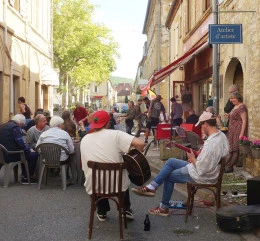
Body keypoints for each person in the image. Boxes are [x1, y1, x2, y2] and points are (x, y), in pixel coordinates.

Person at [132, 111, 228, 216]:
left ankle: (163, 208)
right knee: (171, 161)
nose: (201, 128)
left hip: (203, 174)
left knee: (169, 177)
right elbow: (220, 157)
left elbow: (202, 168)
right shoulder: (221, 136)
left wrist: (193, 158)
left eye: (201, 125)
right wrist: (197, 157)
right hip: (210, 170)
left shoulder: (211, 144)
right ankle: (152, 187)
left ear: (206, 124)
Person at [80, 110, 145, 221]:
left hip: (95, 185)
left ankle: (102, 211)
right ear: (108, 123)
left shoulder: (85, 139)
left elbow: (84, 167)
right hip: (118, 185)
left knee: (98, 177)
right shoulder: (116, 135)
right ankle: (126, 210)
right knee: (121, 174)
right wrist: (131, 157)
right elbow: (140, 143)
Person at [0, 114, 38, 184]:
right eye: (22, 125)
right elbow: (21, 144)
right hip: (10, 155)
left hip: (2, 154)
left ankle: (24, 175)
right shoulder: (15, 128)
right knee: (32, 155)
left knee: (25, 153)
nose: (22, 126)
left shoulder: (2, 125)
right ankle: (26, 178)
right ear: (20, 123)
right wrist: (29, 150)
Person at [225, 91, 247, 173]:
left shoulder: (242, 107)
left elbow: (244, 120)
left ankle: (230, 167)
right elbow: (235, 117)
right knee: (230, 149)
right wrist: (228, 116)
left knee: (235, 150)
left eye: (233, 98)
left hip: (237, 131)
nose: (231, 100)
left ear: (238, 98)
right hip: (232, 130)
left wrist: (241, 133)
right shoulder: (235, 106)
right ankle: (225, 166)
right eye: (231, 98)